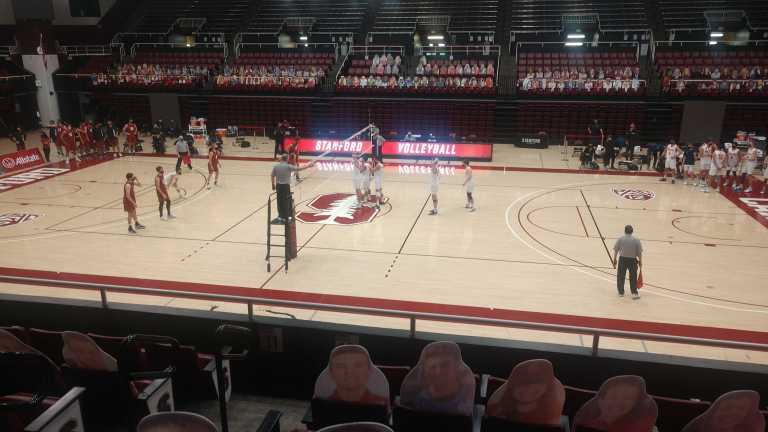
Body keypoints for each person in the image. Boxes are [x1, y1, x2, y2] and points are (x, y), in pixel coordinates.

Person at [270, 154, 314, 224]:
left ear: (281, 159)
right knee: (287, 201)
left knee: (279, 201)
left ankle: (280, 217)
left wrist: (273, 184)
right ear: (287, 159)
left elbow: (272, 175)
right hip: (286, 186)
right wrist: (308, 165)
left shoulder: (276, 166)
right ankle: (288, 217)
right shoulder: (288, 166)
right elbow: (299, 168)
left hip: (278, 186)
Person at [612, 225, 642, 299]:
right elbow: (639, 253)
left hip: (622, 259)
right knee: (633, 276)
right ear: (632, 231)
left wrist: (614, 259)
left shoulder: (620, 239)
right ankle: (634, 292)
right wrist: (640, 261)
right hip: (633, 260)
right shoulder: (636, 240)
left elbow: (616, 249)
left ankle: (621, 292)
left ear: (625, 231)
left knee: (621, 276)